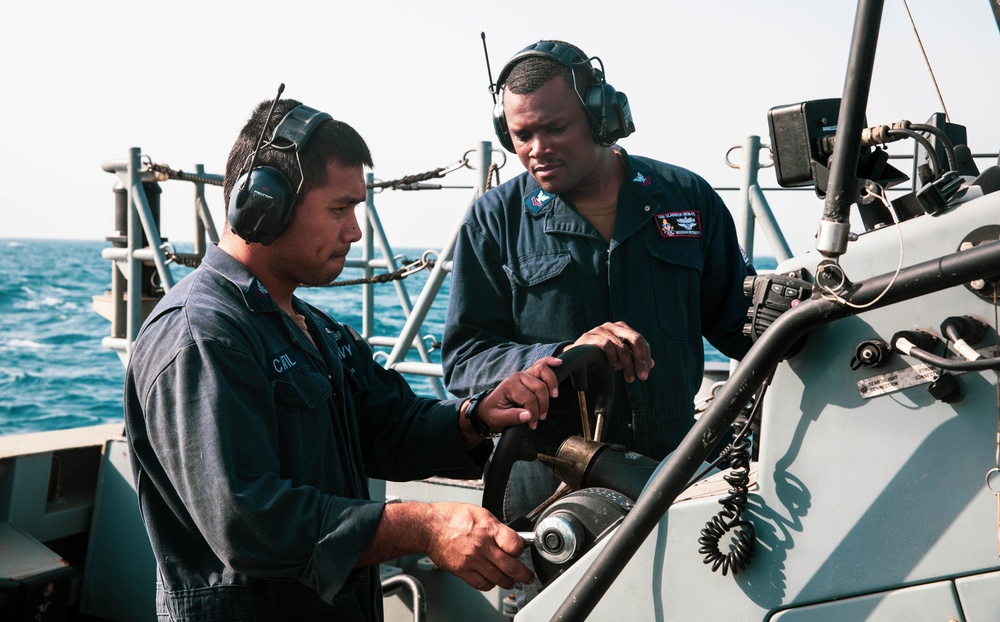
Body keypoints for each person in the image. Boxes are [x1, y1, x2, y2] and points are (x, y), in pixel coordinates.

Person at [123, 94, 562, 621]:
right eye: (339, 209)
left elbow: (389, 425)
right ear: (264, 205)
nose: (355, 231)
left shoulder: (310, 327)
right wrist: (422, 526)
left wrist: (476, 416)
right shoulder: (201, 337)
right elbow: (248, 521)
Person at [442, 40, 755, 522]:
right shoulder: (494, 220)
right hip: (547, 476)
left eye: (556, 128)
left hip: (672, 466)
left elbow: (741, 324)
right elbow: (465, 362)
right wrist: (564, 355)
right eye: (521, 135)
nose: (537, 150)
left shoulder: (687, 198)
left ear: (601, 115)